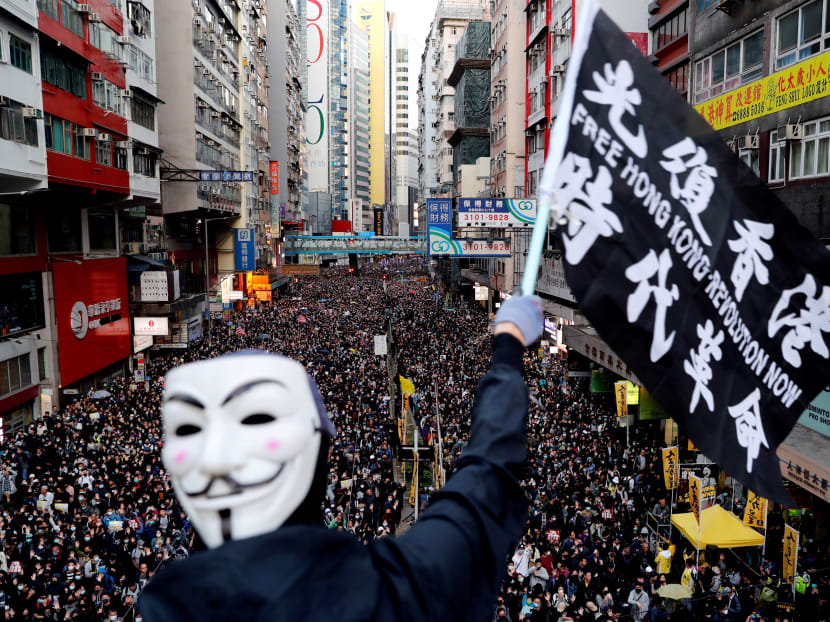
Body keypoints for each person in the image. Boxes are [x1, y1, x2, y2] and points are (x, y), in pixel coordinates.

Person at [138, 295, 544, 621]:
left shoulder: (162, 605)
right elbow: (485, 475)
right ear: (322, 456)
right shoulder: (397, 591)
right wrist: (507, 343)